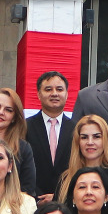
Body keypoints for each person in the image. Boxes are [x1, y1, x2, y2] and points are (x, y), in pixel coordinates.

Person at [53, 114, 108, 204]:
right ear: (78, 142)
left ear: (106, 140)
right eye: (84, 137)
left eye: (96, 137)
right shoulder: (66, 179)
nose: (90, 142)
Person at [25, 71, 74, 199]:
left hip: (67, 201)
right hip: (32, 200)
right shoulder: (25, 127)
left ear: (67, 94)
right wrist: (37, 197)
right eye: (48, 89)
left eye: (59, 89)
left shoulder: (77, 129)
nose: (54, 94)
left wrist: (58, 196)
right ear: (39, 95)